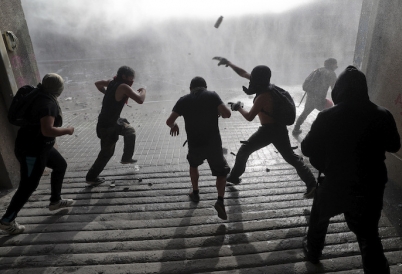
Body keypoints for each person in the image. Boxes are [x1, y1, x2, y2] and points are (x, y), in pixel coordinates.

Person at [301, 66, 400, 273]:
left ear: (339, 90)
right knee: (368, 234)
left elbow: (307, 148)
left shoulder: (327, 116)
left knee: (319, 218)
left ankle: (313, 252)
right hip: (371, 185)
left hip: (336, 181)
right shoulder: (383, 114)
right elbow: (394, 145)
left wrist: (324, 160)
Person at [214, 57, 316, 198]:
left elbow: (249, 117)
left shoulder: (263, 96)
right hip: (279, 129)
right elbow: (243, 73)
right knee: (290, 157)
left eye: (253, 77)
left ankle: (234, 177)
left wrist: (238, 108)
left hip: (268, 130)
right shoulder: (268, 86)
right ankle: (311, 183)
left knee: (245, 150)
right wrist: (230, 64)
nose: (249, 80)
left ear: (257, 79)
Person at [0, 73, 75, 235]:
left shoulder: (37, 93)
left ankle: (55, 200)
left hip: (40, 147)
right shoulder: (47, 103)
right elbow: (47, 130)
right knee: (28, 186)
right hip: (32, 151)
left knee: (60, 165)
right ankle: (7, 220)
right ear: (58, 89)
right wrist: (67, 130)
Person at [166, 76, 231, 220]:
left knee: (193, 164)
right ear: (205, 87)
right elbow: (227, 114)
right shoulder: (212, 96)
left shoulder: (184, 100)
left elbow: (169, 121)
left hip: (195, 143)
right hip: (213, 143)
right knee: (221, 172)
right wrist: (218, 112)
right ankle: (220, 200)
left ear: (191, 88)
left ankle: (195, 192)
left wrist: (174, 126)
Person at [86, 66, 146, 185]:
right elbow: (140, 100)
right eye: (130, 78)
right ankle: (91, 177)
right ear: (123, 76)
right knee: (106, 153)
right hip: (108, 125)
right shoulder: (123, 86)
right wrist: (144, 90)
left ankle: (126, 158)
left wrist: (108, 93)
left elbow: (97, 84)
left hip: (110, 121)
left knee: (130, 131)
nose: (131, 81)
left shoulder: (111, 82)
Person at [292, 58, 338, 135]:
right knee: (329, 112)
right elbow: (335, 88)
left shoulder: (317, 70)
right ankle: (325, 131)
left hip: (311, 96)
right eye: (335, 64)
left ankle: (296, 129)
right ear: (332, 64)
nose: (336, 66)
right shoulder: (331, 73)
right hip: (319, 98)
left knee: (305, 113)